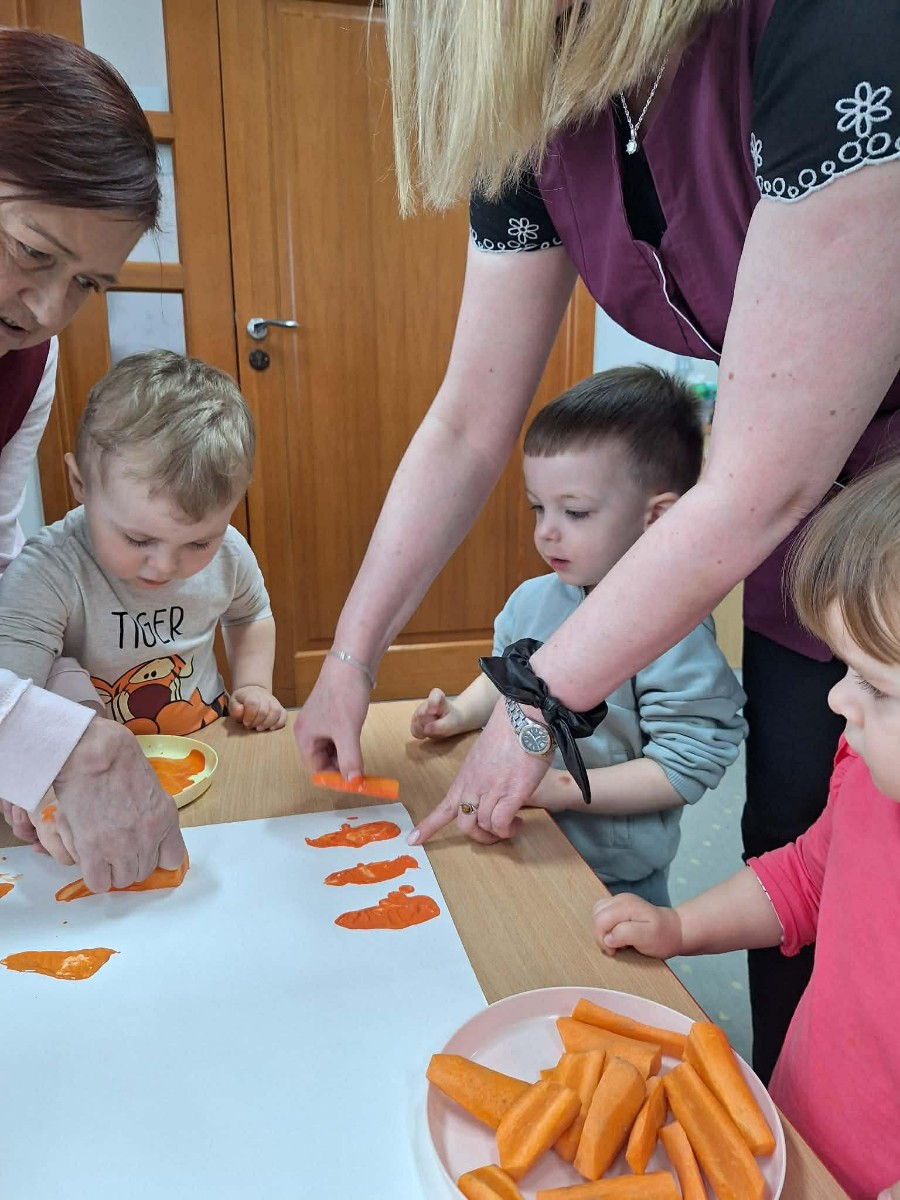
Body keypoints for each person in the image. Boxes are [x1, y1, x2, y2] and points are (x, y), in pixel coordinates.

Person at [295, 0, 900, 1080]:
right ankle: (795, 1114)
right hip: (809, 549)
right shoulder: (536, 103)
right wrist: (351, 657)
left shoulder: (832, 29)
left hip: (853, 528)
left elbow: (758, 481)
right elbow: (466, 425)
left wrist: (536, 703)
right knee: (797, 836)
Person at [593, 460, 900, 1200]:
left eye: (877, 685)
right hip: (797, 1129)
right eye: (845, 669)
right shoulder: (867, 777)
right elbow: (805, 878)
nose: (836, 700)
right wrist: (681, 927)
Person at [410, 367, 746, 904]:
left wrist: (559, 789)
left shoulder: (675, 633)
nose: (546, 531)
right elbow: (510, 682)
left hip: (615, 876)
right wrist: (460, 712)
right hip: (522, 838)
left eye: (576, 512)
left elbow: (684, 769)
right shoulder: (532, 598)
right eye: (538, 507)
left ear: (657, 517)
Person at [0, 27, 189, 892]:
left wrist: (56, 703)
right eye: (32, 252)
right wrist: (45, 738)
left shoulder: (26, 364)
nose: (46, 309)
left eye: (85, 283)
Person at [0, 351, 284, 832]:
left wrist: (254, 685)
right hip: (94, 783)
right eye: (137, 539)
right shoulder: (48, 571)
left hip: (209, 747)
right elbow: (12, 692)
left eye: (198, 542)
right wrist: (29, 786)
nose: (166, 566)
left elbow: (250, 613)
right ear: (80, 482)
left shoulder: (230, 552)